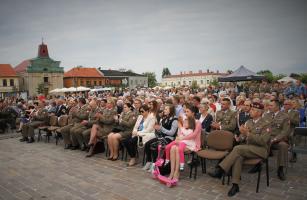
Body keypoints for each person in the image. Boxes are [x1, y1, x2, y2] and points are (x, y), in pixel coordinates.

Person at [209, 102, 271, 197]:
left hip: (260, 150)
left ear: (259, 113)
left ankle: (220, 170)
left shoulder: (266, 124)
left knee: (237, 149)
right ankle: (235, 185)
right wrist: (240, 138)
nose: (250, 111)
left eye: (253, 110)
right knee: (238, 156)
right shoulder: (248, 122)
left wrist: (248, 134)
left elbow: (263, 141)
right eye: (251, 109)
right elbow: (243, 136)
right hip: (247, 148)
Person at [167, 104, 201, 181]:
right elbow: (181, 131)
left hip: (192, 143)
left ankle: (177, 172)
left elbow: (194, 135)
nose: (185, 113)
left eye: (187, 111)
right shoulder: (185, 120)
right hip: (183, 141)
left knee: (176, 149)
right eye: (185, 111)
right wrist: (179, 137)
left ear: (193, 113)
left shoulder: (197, 122)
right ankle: (172, 172)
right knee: (173, 148)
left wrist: (182, 138)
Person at [143, 104, 178, 171]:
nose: (164, 110)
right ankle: (149, 161)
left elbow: (172, 133)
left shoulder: (175, 120)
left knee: (155, 146)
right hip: (162, 137)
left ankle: (155, 164)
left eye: (166, 109)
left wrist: (161, 128)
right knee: (147, 144)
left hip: (169, 139)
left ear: (171, 111)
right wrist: (157, 129)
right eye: (164, 109)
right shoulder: (164, 119)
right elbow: (161, 131)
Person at [269, 100, 290, 180]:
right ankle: (258, 163)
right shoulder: (266, 115)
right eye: (269, 105)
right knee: (258, 140)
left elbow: (285, 132)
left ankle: (280, 168)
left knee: (283, 145)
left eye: (271, 105)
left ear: (277, 107)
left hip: (278, 139)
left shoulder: (285, 116)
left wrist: (275, 139)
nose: (269, 107)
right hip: (267, 138)